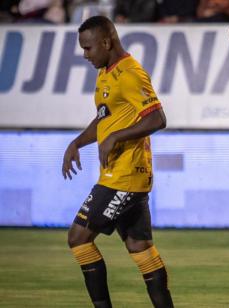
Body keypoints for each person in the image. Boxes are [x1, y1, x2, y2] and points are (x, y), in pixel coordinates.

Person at [62, 15, 173, 308]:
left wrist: (115, 138)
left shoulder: (130, 74)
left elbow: (157, 118)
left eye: (88, 48)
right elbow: (104, 119)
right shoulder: (106, 73)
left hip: (124, 178)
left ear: (106, 42)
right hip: (119, 175)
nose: (85, 55)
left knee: (78, 238)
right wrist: (77, 142)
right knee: (141, 249)